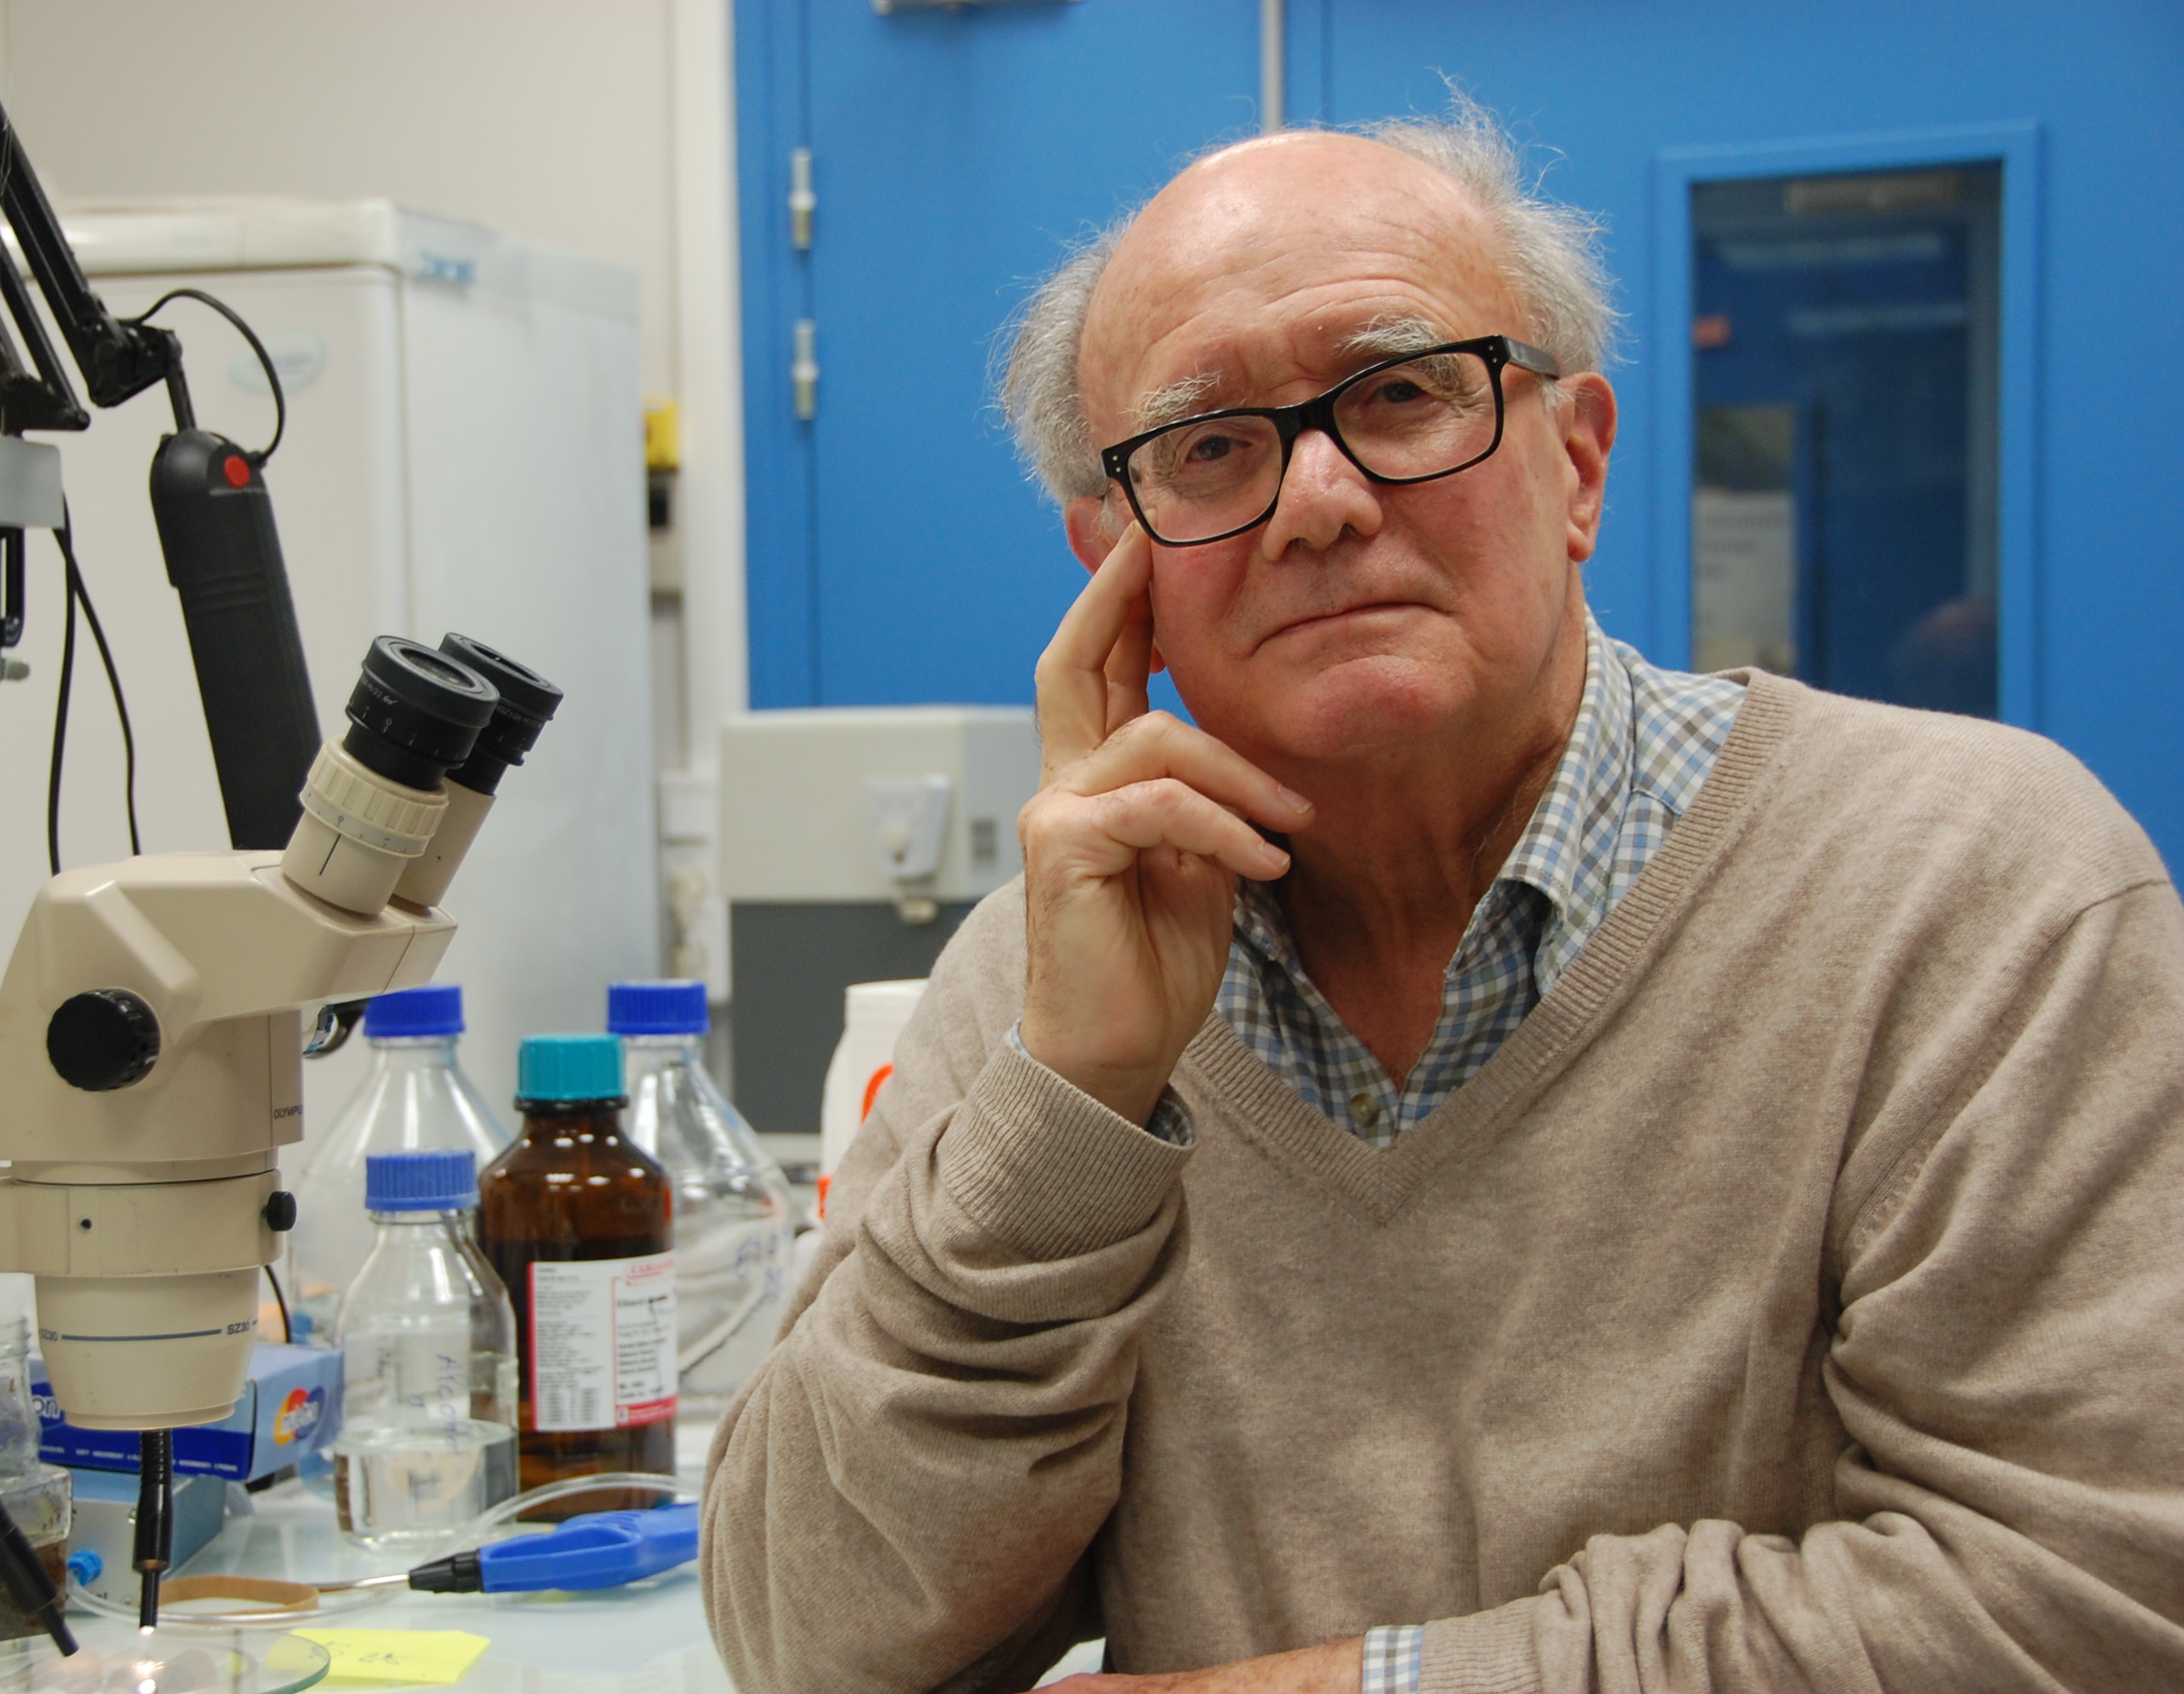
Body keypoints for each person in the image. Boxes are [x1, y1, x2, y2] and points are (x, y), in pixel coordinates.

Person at [699, 101, 2184, 1694]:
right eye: (1212, 447)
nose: (1322, 502)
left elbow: (2091, 1605)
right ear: (1117, 556)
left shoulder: (1969, 884)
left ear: (1579, 462)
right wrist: (1069, 1106)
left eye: (1404, 395)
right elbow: (812, 1644)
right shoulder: (1043, 984)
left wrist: (1345, 1687)